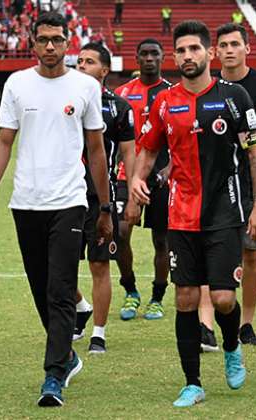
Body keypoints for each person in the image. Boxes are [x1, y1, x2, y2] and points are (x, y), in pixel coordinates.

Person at [131, 20, 256, 407]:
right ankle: (192, 382)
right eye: (181, 51)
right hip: (180, 215)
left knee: (224, 298)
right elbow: (147, 148)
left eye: (194, 49)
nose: (187, 56)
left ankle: (230, 346)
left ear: (209, 54)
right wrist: (139, 179)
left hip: (226, 212)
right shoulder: (165, 102)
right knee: (186, 298)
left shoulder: (235, 97)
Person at [0, 12, 112, 407]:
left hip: (70, 201)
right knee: (41, 289)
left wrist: (104, 206)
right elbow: (4, 141)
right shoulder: (17, 84)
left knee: (59, 289)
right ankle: (67, 356)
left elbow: (96, 149)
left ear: (68, 42)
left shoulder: (86, 86)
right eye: (43, 39)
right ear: (32, 43)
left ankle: (53, 376)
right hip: (25, 202)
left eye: (57, 39)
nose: (50, 46)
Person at [213, 23, 256, 347]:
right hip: (216, 180)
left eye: (235, 44)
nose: (229, 50)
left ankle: (246, 323)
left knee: (251, 254)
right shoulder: (210, 84)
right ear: (215, 51)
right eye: (223, 44)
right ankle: (207, 324)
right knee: (213, 253)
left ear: (247, 48)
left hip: (252, 179)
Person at [73, 42, 136, 354]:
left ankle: (98, 332)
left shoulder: (119, 108)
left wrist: (132, 190)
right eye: (80, 60)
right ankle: (81, 306)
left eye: (89, 61)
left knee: (99, 265)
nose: (82, 65)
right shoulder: (64, 102)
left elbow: (129, 153)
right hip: (65, 196)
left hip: (101, 198)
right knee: (57, 265)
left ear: (104, 70)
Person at [115, 38, 173, 321]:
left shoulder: (174, 94)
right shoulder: (123, 93)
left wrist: (169, 169)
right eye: (144, 53)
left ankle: (157, 297)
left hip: (161, 176)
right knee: (121, 233)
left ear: (163, 58)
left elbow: (182, 140)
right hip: (126, 174)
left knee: (161, 239)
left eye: (154, 54)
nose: (149, 58)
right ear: (136, 58)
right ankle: (130, 290)